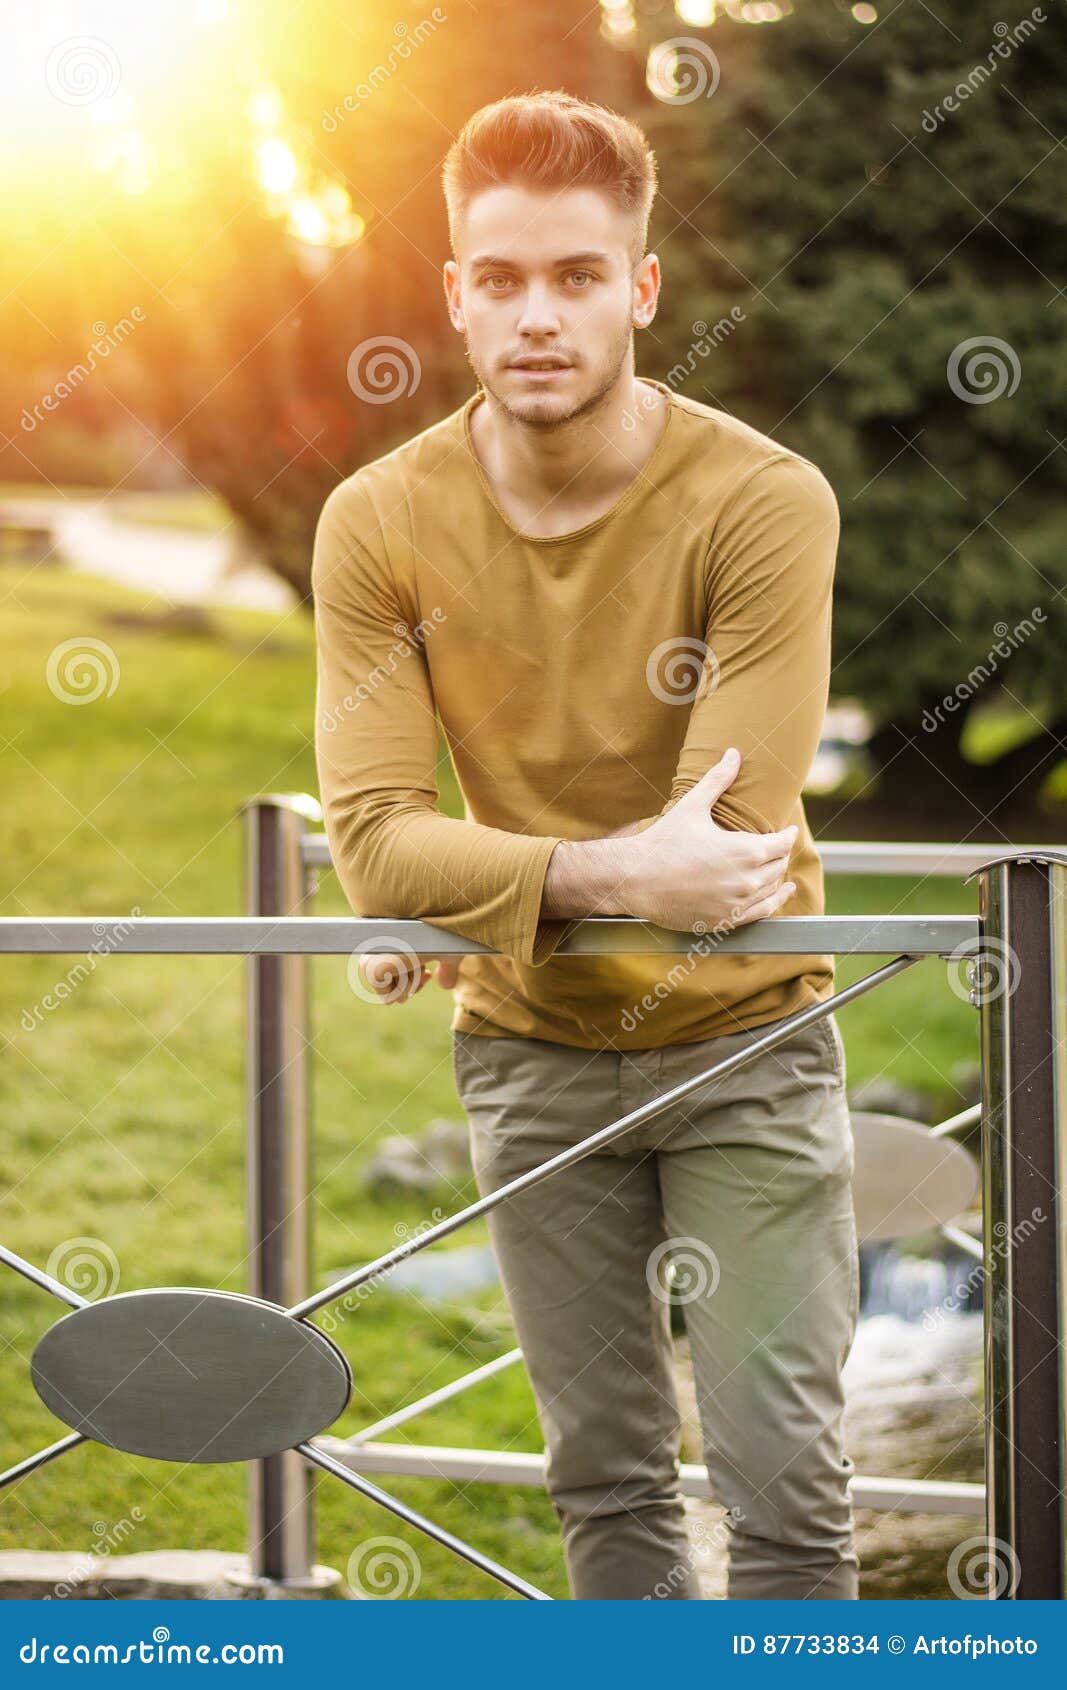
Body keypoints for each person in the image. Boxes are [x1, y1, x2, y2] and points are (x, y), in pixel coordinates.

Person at [312, 88, 859, 1601]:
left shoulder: (762, 500)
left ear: (641, 289)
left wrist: (479, 888)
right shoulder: (378, 522)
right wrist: (579, 884)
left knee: (788, 1494)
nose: (535, 314)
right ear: (454, 296)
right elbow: (372, 848)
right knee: (607, 1491)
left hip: (745, 1037)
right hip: (531, 1055)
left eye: (573, 275)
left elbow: (728, 849)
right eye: (499, 278)